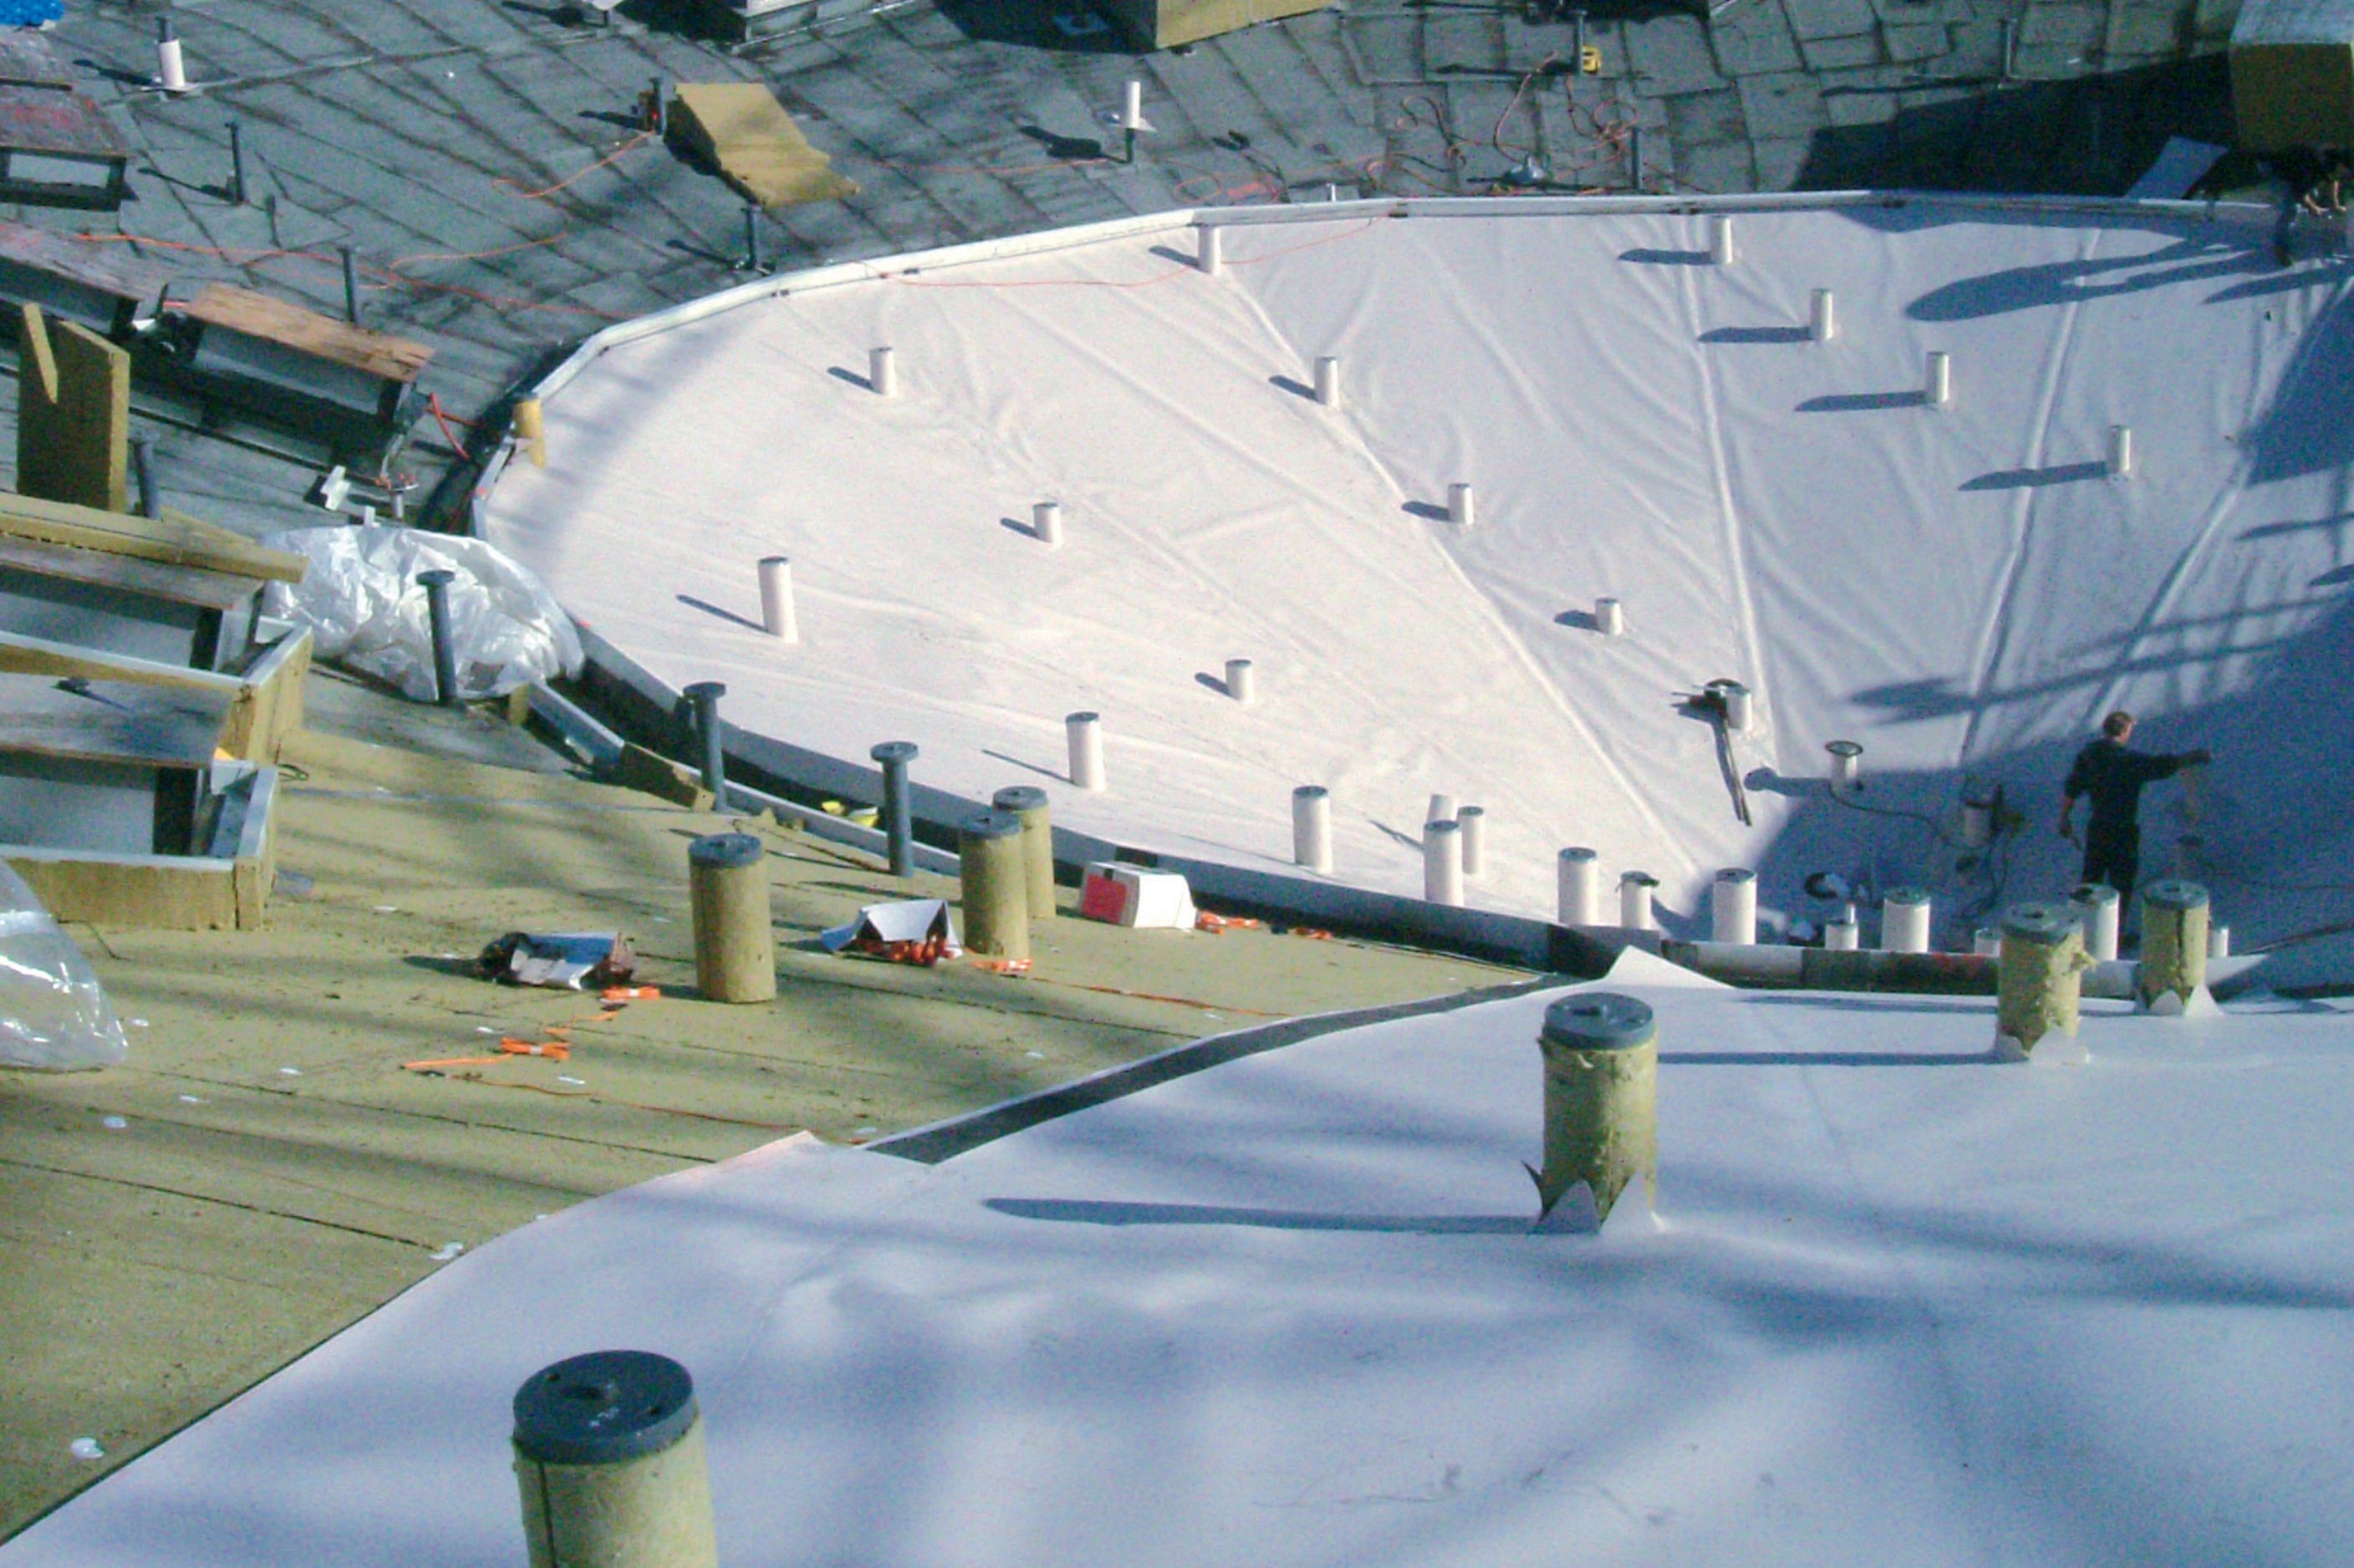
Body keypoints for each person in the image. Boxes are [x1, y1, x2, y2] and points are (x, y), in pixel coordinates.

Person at [2056, 710, 2211, 906]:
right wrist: (2192, 757)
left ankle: (2085, 928)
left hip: (2098, 828)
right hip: (2123, 831)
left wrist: (2064, 817)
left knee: (2091, 881)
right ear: (2125, 730)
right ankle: (2115, 932)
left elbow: (2072, 788)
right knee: (2121, 885)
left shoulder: (2089, 755)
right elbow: (2161, 766)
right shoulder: (2129, 761)